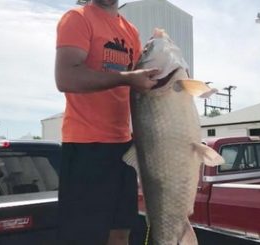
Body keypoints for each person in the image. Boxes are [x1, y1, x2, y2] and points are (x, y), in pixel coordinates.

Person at [55, 0, 159, 244]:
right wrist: (128, 78)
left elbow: (138, 82)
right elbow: (66, 77)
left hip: (124, 148)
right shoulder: (77, 18)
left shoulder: (130, 31)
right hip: (85, 146)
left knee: (120, 232)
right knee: (84, 236)